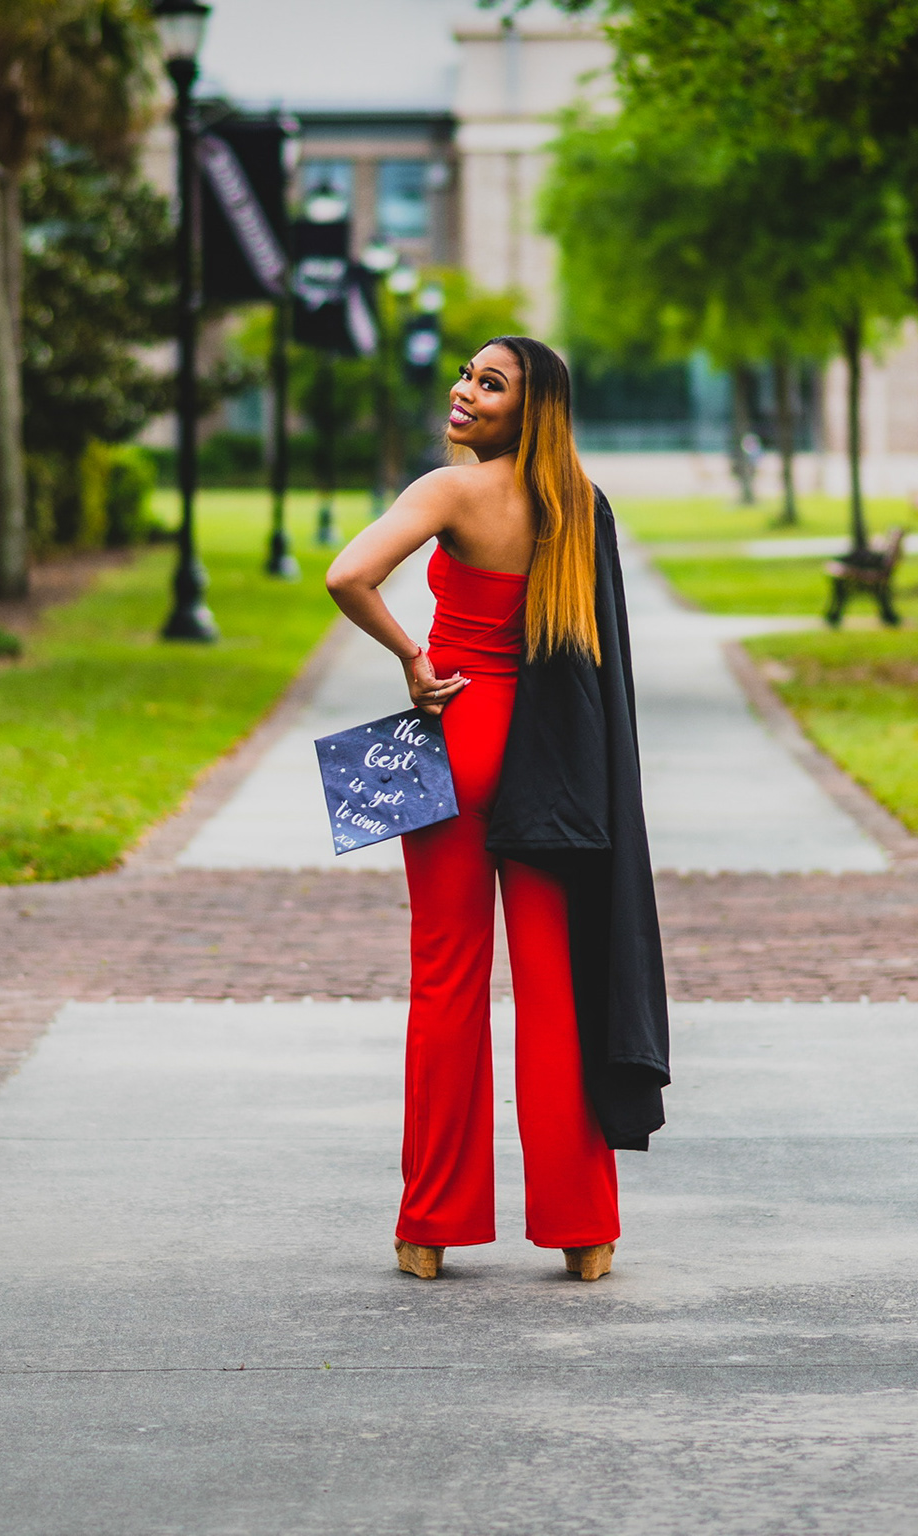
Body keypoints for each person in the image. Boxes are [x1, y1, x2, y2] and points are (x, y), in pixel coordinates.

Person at [326, 336, 670, 1284]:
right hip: (552, 762)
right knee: (555, 992)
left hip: (457, 745)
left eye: (490, 384)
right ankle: (584, 1231)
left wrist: (413, 658)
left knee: (446, 981)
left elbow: (347, 576)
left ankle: (428, 1229)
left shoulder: (450, 491)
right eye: (467, 375)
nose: (464, 391)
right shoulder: (580, 506)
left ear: (528, 409)